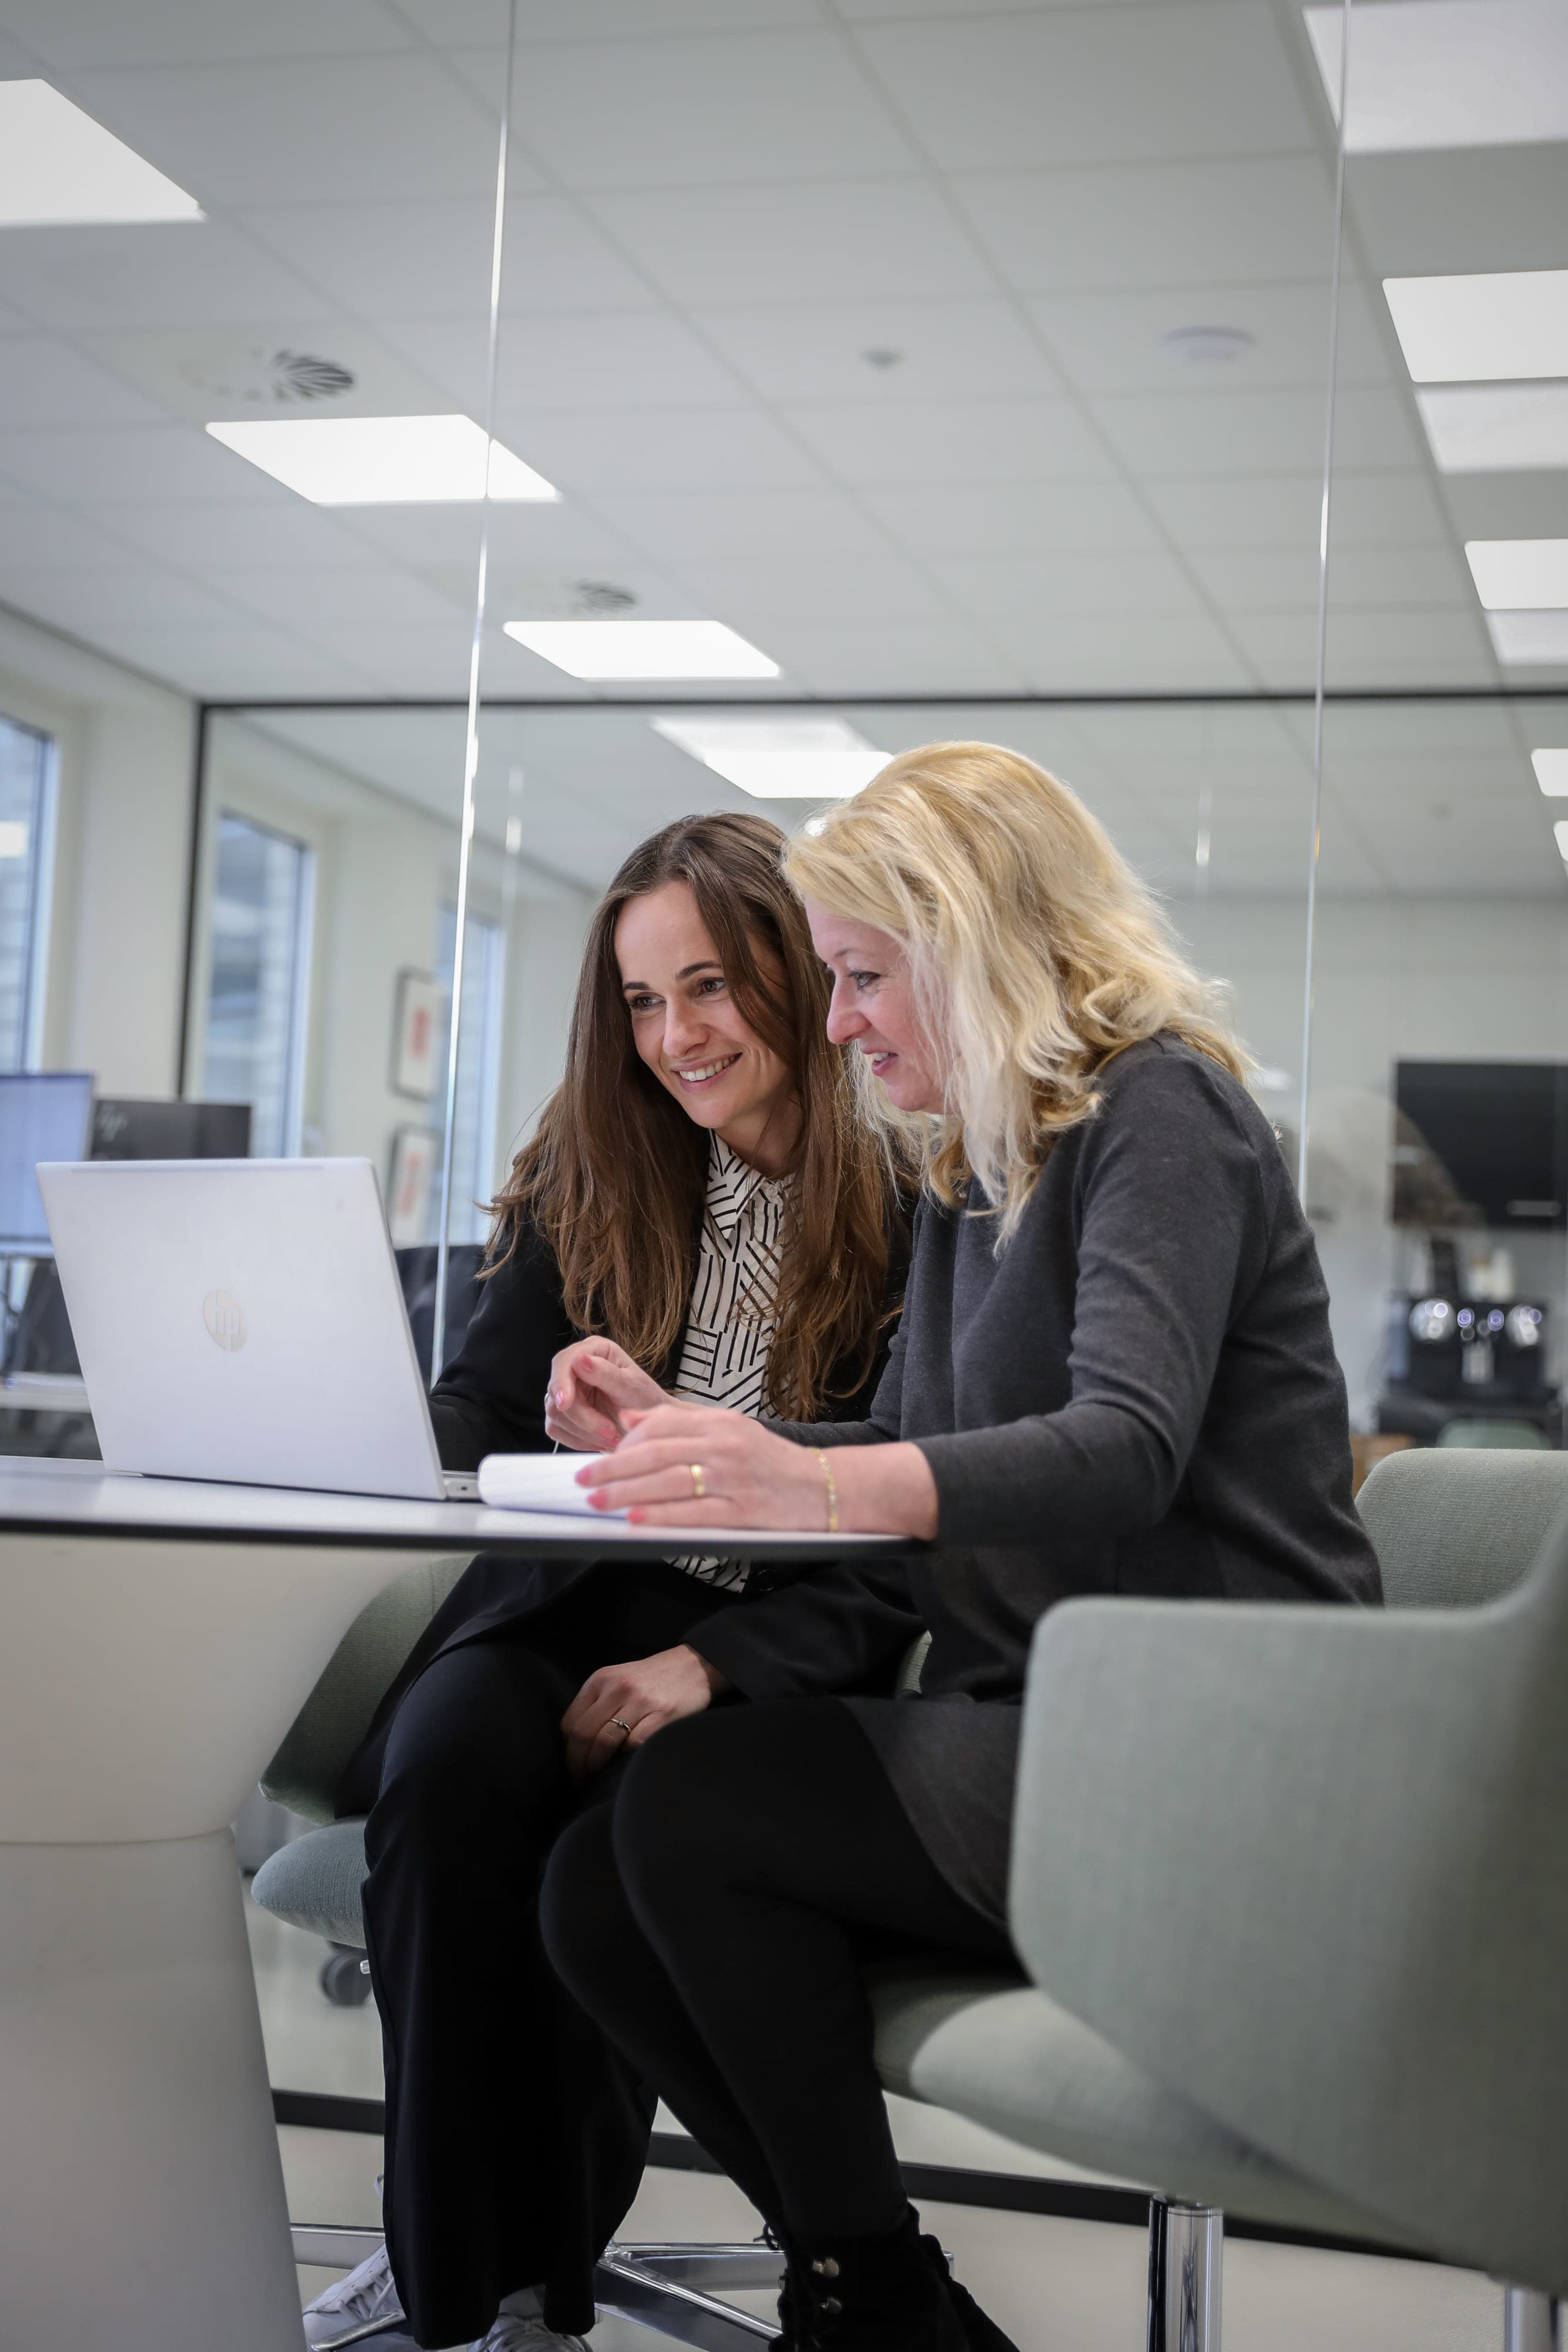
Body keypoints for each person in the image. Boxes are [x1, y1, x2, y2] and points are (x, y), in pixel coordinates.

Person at [536, 743, 1385, 2352]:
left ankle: (860, 2301)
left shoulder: (1165, 1115)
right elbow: (927, 1448)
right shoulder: (970, 1162)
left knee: (703, 1803)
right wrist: (716, 1449)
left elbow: (1121, 1448)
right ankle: (878, 2289)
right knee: (589, 1891)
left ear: (974, 947)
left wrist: (811, 1486)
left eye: (861, 976)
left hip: (1217, 1751)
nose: (837, 1022)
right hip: (1043, 1727)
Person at [306, 811, 920, 2352]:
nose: (675, 1038)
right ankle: (459, 2277)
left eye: (708, 988)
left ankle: (547, 2273)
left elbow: (927, 1499)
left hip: (775, 1629)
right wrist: (370, 1436)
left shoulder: (920, 1203)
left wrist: (710, 1663)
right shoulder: (599, 1165)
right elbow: (482, 1406)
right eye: (644, 1003)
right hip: (567, 1594)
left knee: (612, 1830)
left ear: (798, 975)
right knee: (450, 1775)